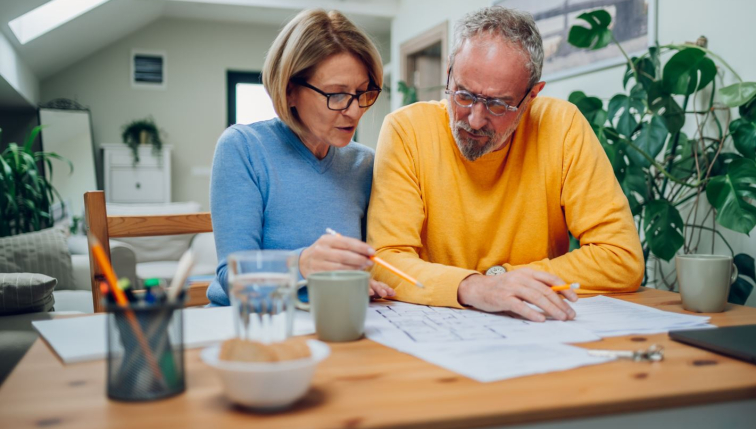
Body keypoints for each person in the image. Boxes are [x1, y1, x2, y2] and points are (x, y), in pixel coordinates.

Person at [367, 6, 644, 322]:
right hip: (431, 326)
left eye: (498, 105)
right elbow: (385, 261)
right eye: (463, 95)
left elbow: (621, 258)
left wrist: (502, 280)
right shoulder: (406, 131)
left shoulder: (562, 127)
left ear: (531, 97)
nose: (474, 119)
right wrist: (474, 288)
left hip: (533, 328)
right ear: (449, 74)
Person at [207, 9, 395, 306]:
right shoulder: (243, 148)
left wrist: (365, 279)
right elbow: (232, 278)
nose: (355, 111)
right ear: (290, 91)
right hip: (252, 324)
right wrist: (303, 264)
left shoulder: (365, 165)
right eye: (336, 94)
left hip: (330, 317)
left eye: (363, 93)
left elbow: (370, 263)